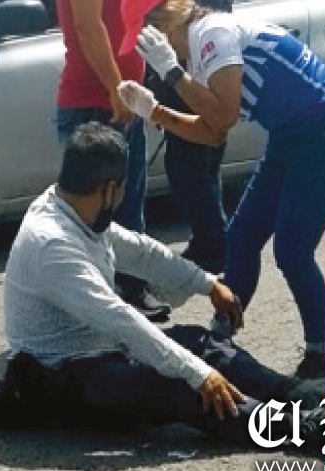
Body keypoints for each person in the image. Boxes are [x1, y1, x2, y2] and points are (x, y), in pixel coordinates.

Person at [2, 122, 325, 444]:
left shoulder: (73, 209)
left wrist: (208, 284)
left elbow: (143, 253)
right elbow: (119, 319)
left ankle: (297, 394)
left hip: (104, 350)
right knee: (184, 385)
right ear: (110, 189)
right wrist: (199, 375)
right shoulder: (51, 245)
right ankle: (300, 428)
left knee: (202, 344)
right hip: (64, 376)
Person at [116, 0, 325, 378]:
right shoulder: (198, 54)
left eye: (142, 41)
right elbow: (212, 133)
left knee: (292, 251)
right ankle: (219, 339)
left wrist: (172, 73)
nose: (143, 55)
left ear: (162, 26)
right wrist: (155, 112)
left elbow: (224, 115)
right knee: (241, 238)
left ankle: (324, 353)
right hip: (291, 135)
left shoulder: (212, 35)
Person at [55, 0, 170, 321]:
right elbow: (87, 25)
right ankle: (99, 307)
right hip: (95, 105)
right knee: (92, 219)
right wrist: (116, 88)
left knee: (128, 207)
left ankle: (131, 292)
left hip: (122, 102)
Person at [144, 0, 232, 274]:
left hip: (189, 56)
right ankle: (210, 242)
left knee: (190, 167)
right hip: (190, 52)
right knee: (197, 168)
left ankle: (215, 248)